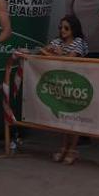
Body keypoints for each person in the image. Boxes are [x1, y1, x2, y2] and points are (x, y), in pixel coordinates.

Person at [40, 15, 88, 165]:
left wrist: (58, 54)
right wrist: (52, 52)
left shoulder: (78, 42)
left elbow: (71, 59)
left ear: (74, 29)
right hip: (61, 84)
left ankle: (72, 149)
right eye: (61, 27)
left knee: (74, 118)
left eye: (66, 28)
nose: (63, 31)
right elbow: (43, 51)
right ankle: (64, 147)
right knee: (65, 118)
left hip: (76, 83)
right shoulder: (57, 41)